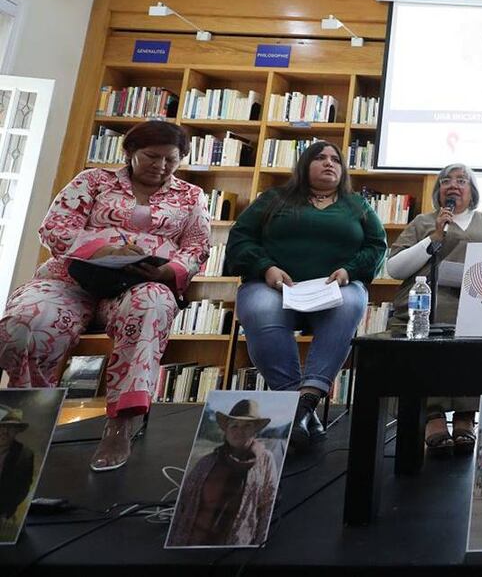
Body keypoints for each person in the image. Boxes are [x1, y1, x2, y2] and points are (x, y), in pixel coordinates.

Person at [0, 121, 210, 471]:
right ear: (129, 153)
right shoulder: (93, 181)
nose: (160, 166)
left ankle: (121, 423)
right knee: (26, 322)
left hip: (140, 283)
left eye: (170, 159)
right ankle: (30, 418)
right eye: (151, 156)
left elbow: (198, 246)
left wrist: (167, 271)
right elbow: (54, 227)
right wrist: (99, 249)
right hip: (71, 278)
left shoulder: (190, 196)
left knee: (153, 304)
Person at [226, 141, 387, 451]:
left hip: (335, 287)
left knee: (352, 301)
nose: (330, 164)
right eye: (320, 158)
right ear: (303, 165)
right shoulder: (274, 199)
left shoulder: (357, 205)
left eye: (336, 160)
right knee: (259, 308)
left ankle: (302, 403)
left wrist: (349, 271)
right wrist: (266, 267)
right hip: (274, 286)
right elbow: (241, 238)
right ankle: (299, 408)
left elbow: (376, 247)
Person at [385, 163, 482, 457]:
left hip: (478, 300)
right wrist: (434, 238)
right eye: (446, 181)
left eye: (461, 180)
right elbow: (393, 269)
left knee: (480, 328)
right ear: (438, 191)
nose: (453, 185)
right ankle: (433, 415)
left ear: (472, 190)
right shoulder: (423, 222)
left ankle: (467, 416)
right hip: (428, 300)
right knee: (438, 317)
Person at [168, 399, 278, 547]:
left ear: (255, 430)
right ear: (226, 430)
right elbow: (183, 502)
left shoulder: (265, 460)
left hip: (235, 550)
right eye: (234, 425)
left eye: (247, 426)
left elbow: (268, 506)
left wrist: (259, 547)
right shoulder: (206, 462)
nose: (240, 431)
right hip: (192, 544)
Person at [0, 407, 34, 523]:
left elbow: (22, 488)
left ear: (17, 431)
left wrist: (6, 512)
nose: (4, 431)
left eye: (10, 427)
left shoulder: (25, 455)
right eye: (0, 426)